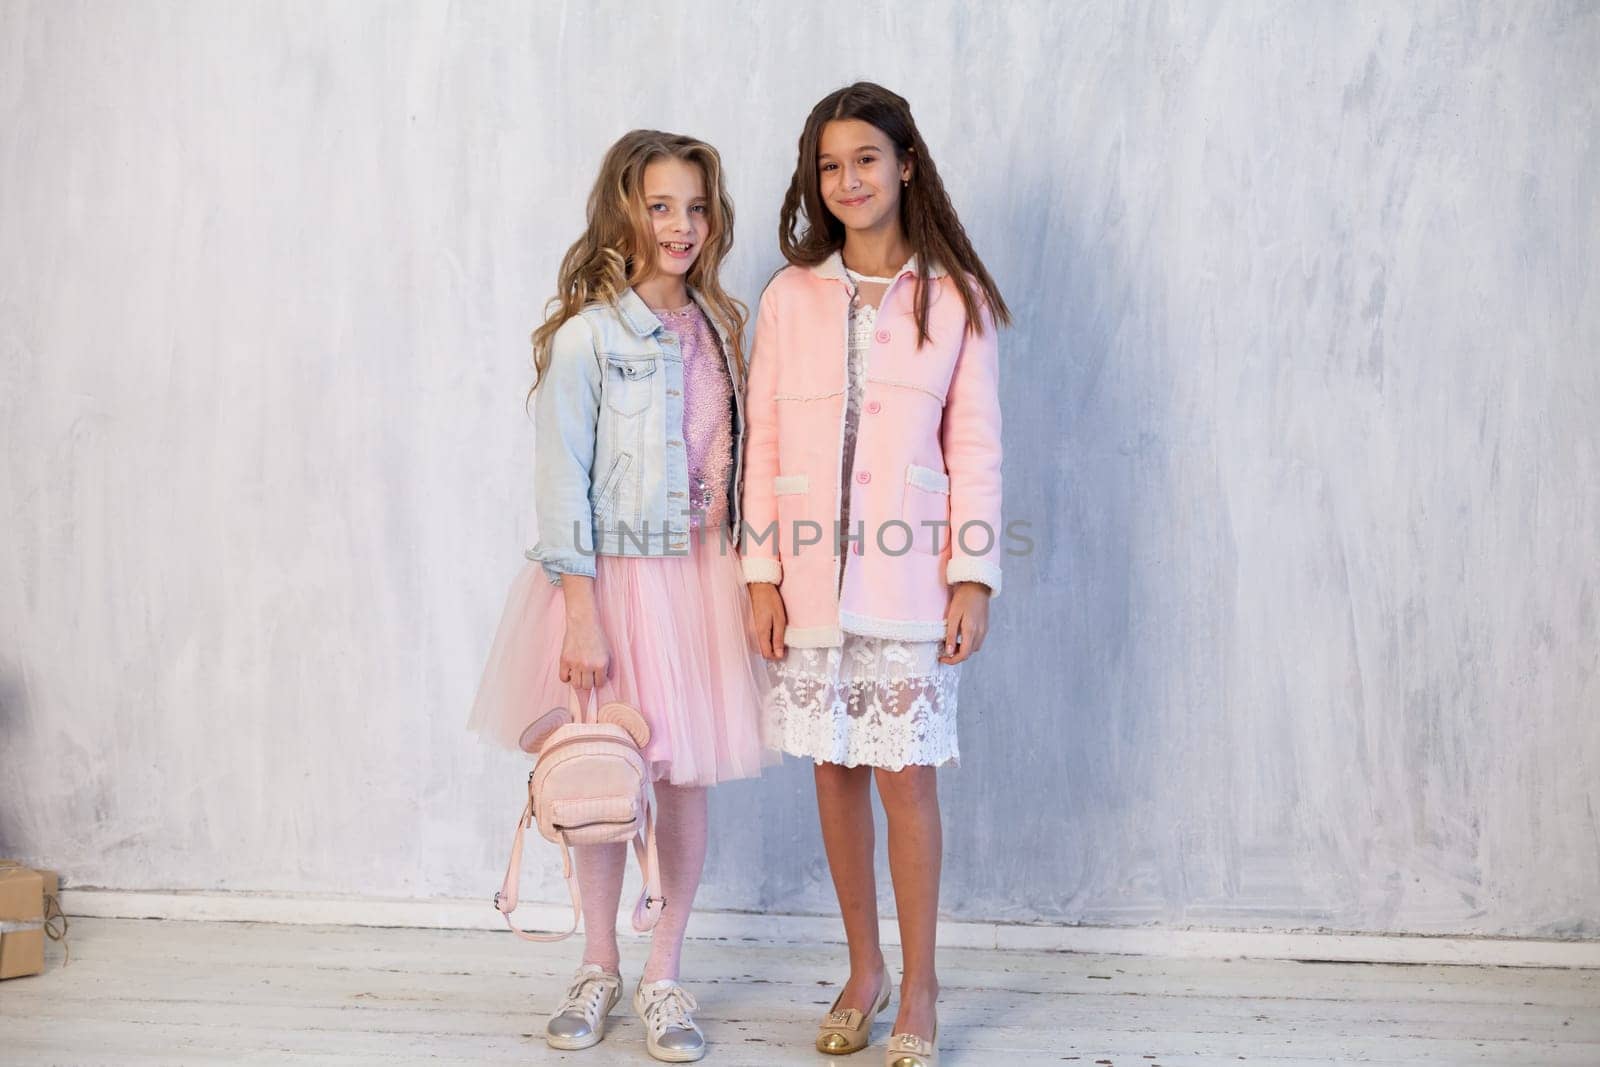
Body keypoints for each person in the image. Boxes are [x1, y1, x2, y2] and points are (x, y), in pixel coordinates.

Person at [469, 128, 771, 1064]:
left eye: (696, 206)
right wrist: (581, 612)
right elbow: (561, 483)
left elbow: (739, 464)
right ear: (624, 212)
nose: (681, 225)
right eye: (660, 205)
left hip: (700, 577)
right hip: (610, 580)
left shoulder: (722, 325)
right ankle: (597, 961)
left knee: (678, 776)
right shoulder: (589, 336)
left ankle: (665, 973)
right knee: (606, 774)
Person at [742, 83, 1010, 1067]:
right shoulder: (789, 296)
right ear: (815, 181)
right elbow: (762, 439)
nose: (847, 179)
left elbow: (975, 445)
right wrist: (760, 572)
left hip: (907, 580)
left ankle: (921, 983)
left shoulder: (956, 299)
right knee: (834, 767)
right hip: (809, 579)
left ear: (904, 163)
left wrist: (971, 575)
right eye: (829, 164)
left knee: (906, 780)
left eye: (865, 157)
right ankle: (864, 969)